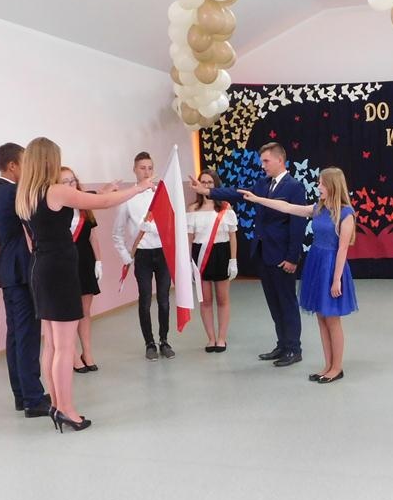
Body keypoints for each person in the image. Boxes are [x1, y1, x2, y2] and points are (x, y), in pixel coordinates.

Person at [16, 137, 152, 431]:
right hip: (59, 271)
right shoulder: (55, 190)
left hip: (40, 268)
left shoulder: (26, 194)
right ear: (49, 160)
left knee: (52, 345)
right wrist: (138, 188)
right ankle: (66, 409)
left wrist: (102, 192)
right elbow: (101, 203)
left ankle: (56, 405)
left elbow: (84, 199)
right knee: (65, 347)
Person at [190, 142, 307, 367]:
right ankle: (282, 345)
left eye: (266, 161)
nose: (263, 166)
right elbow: (237, 193)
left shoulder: (294, 187)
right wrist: (208, 192)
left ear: (280, 160)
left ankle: (294, 348)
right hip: (264, 254)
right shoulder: (263, 183)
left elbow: (298, 224)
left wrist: (292, 258)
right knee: (274, 303)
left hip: (282, 256)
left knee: (287, 302)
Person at [239, 167, 357, 383]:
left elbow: (342, 249)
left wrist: (336, 279)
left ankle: (336, 367)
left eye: (321, 183)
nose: (318, 186)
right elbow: (287, 207)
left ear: (332, 186)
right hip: (317, 264)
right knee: (321, 318)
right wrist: (258, 199)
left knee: (332, 319)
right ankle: (327, 365)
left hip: (331, 266)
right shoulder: (318, 208)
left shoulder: (346, 213)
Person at [0, 143, 48, 418]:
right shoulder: (15, 194)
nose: (29, 169)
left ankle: (22, 395)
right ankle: (33, 399)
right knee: (27, 336)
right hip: (21, 271)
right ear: (12, 166)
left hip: (7, 271)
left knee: (15, 336)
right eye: (25, 163)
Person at [112, 152, 175, 362]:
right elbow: (117, 233)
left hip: (163, 252)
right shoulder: (127, 198)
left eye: (150, 168)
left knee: (164, 300)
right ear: (134, 170)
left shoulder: (161, 195)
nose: (146, 172)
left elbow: (171, 223)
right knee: (145, 299)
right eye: (142, 168)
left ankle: (164, 340)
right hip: (142, 254)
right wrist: (126, 256)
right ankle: (149, 343)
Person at [187, 168, 238, 352]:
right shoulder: (192, 209)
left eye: (210, 182)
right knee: (206, 300)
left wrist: (233, 261)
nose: (206, 185)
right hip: (200, 255)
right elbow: (190, 239)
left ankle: (222, 338)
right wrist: (188, 263)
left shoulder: (225, 207)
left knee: (223, 299)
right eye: (203, 182)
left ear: (216, 185)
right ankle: (211, 338)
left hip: (221, 252)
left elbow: (232, 236)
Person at [60, 167, 102, 373]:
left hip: (85, 261)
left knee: (85, 311)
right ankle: (73, 354)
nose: (71, 184)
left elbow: (93, 236)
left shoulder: (85, 205)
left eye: (72, 180)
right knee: (70, 312)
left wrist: (98, 261)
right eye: (65, 181)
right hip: (65, 263)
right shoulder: (56, 207)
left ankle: (87, 352)